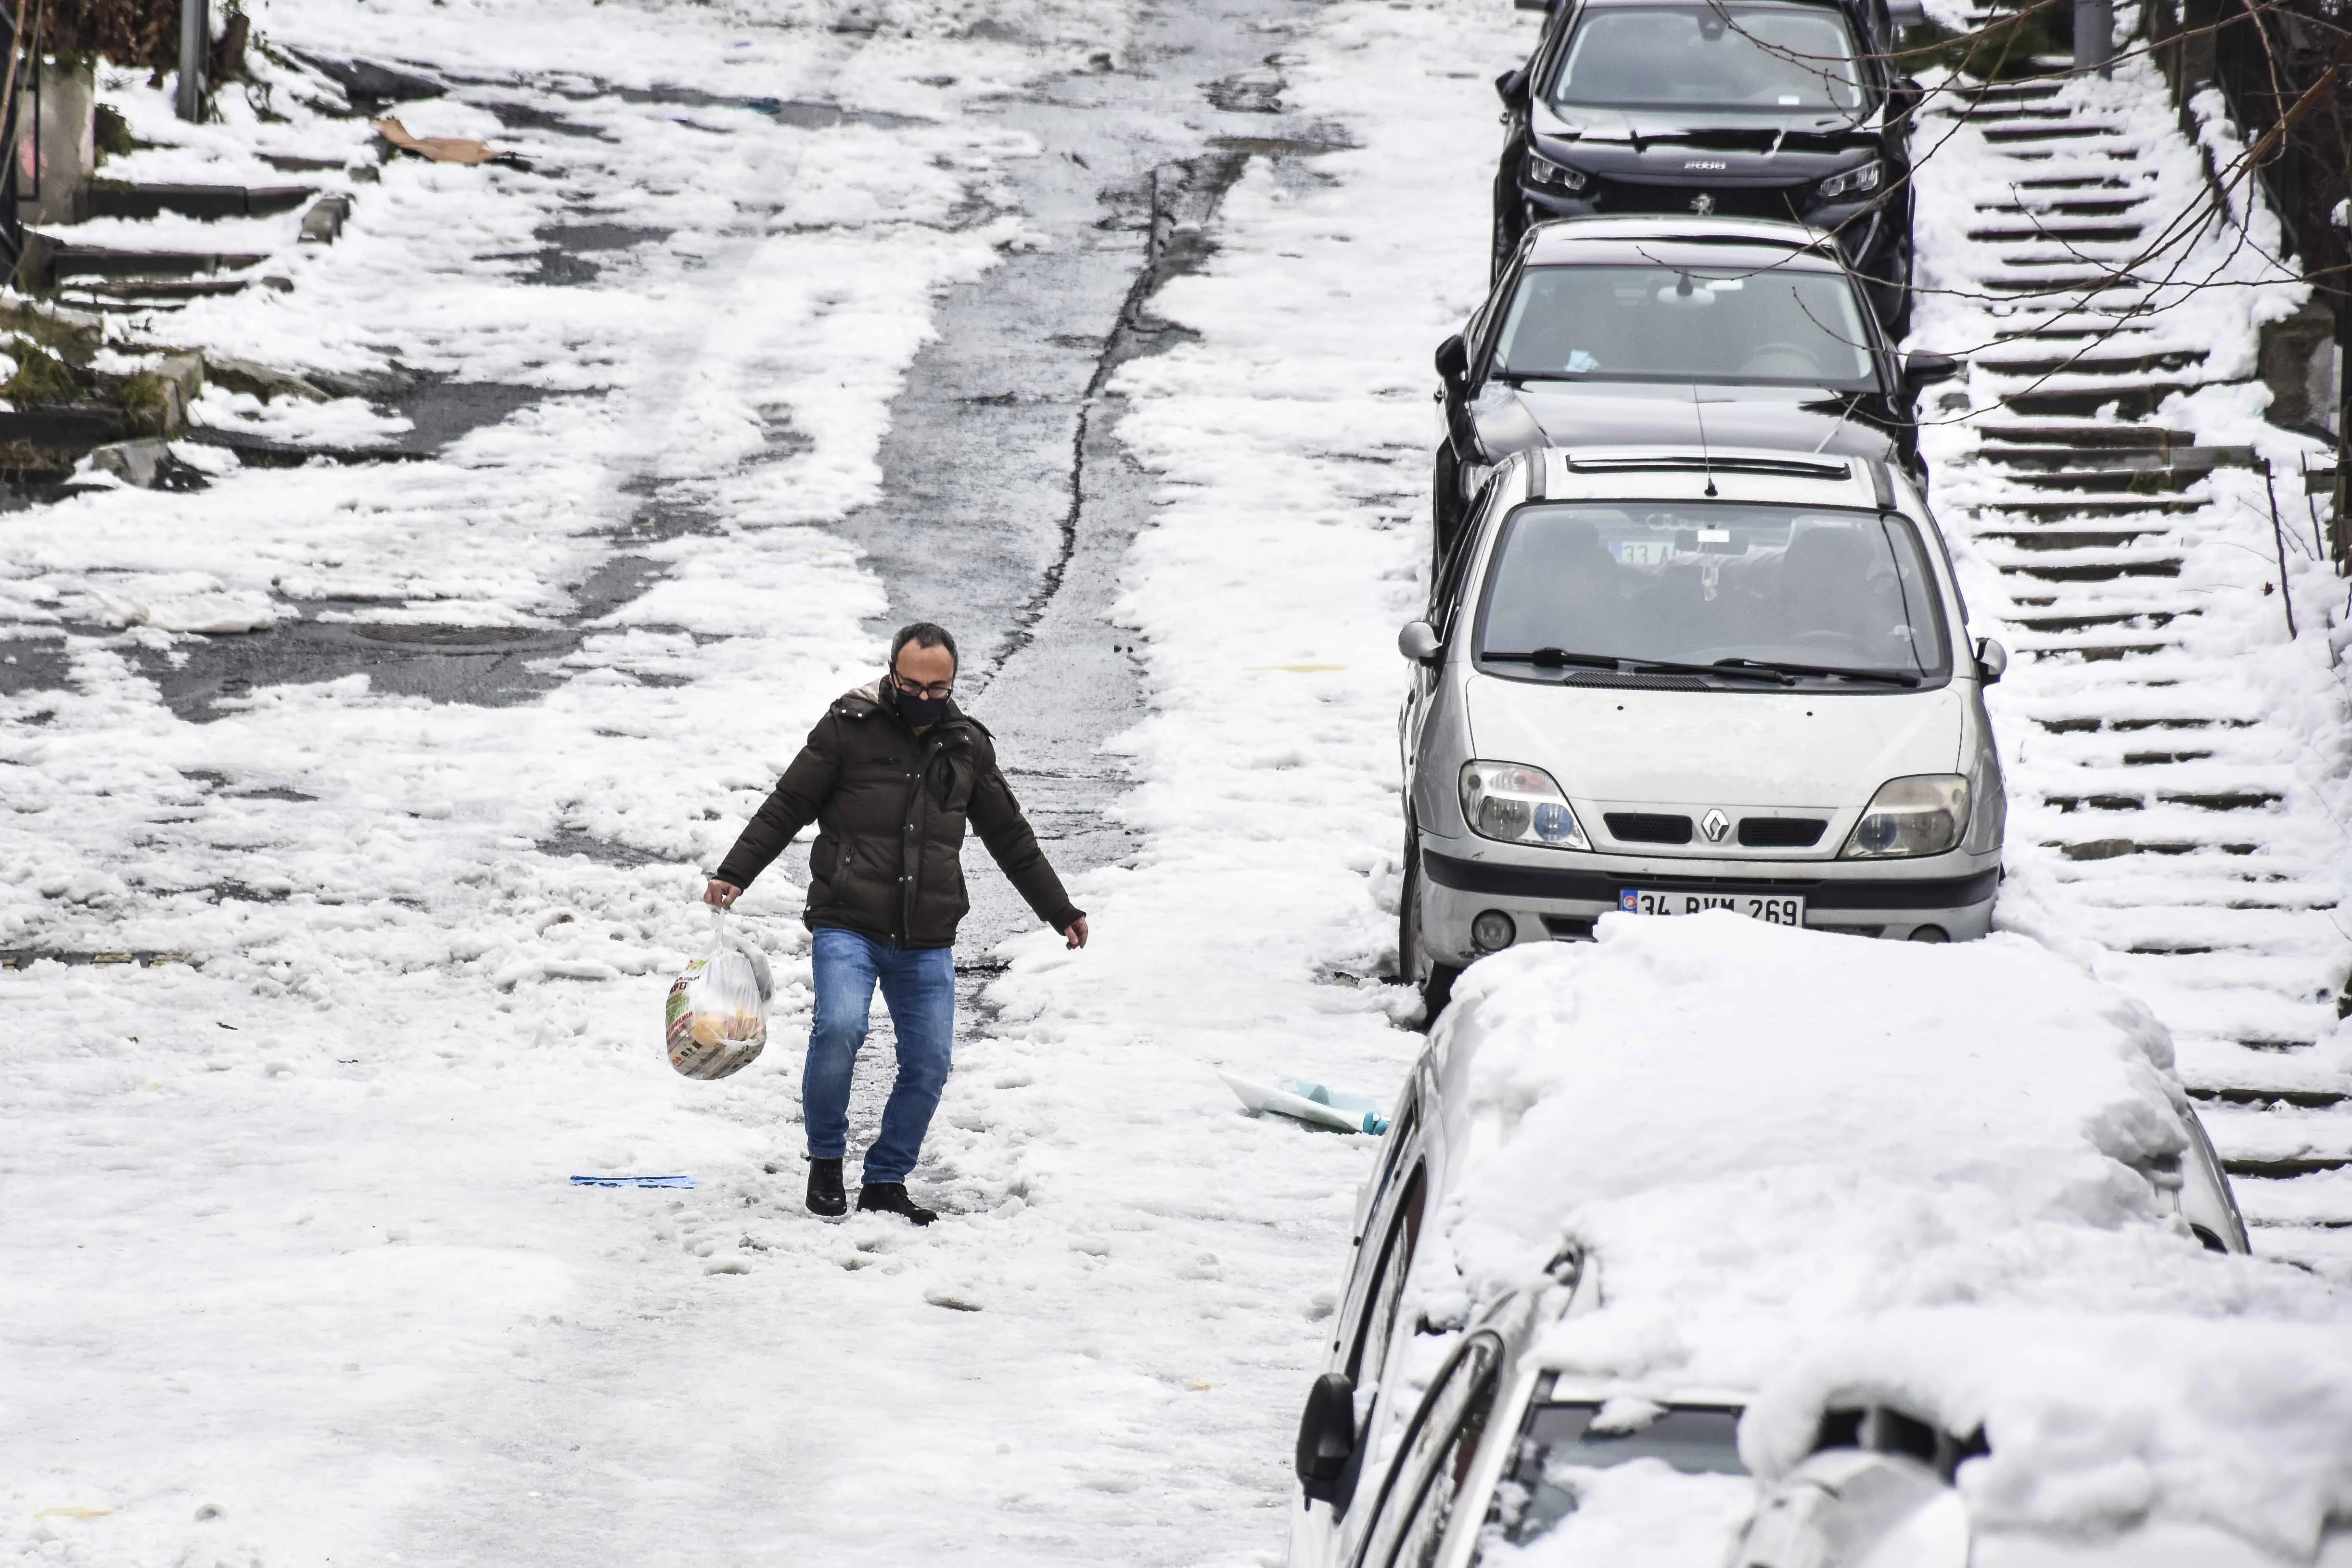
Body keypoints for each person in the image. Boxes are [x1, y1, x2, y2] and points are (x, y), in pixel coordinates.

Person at [703, 622, 1088, 1226]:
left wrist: (1058, 909)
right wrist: (735, 871)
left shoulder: (966, 747)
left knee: (930, 1062)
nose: (926, 698)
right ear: (892, 674)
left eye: (939, 689)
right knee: (839, 1028)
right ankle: (826, 1159)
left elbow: (1009, 835)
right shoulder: (847, 728)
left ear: (953, 683)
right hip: (847, 920)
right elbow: (787, 804)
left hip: (926, 933)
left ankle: (887, 1178)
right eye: (913, 685)